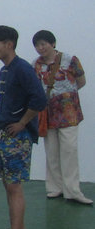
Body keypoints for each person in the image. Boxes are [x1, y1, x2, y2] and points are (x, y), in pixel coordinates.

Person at [0, 25, 46, 229]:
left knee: (14, 187)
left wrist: (22, 123)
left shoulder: (22, 69)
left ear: (9, 44)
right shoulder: (6, 70)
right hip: (4, 134)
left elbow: (39, 99)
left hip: (16, 138)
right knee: (8, 186)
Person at [31, 30, 89, 204]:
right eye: (37, 45)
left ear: (53, 44)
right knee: (52, 152)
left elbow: (81, 81)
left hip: (68, 113)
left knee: (69, 151)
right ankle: (55, 188)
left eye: (44, 44)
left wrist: (66, 95)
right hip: (47, 114)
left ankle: (73, 191)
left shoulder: (70, 60)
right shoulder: (35, 64)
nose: (41, 48)